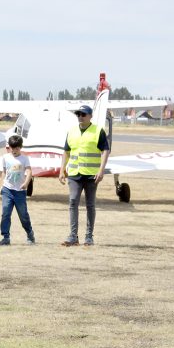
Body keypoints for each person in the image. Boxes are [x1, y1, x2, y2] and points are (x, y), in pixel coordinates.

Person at [58, 104, 110, 246]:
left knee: (90, 205)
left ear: (90, 116)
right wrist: (62, 169)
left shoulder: (98, 131)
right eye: (78, 114)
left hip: (91, 175)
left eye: (83, 114)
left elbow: (105, 150)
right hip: (74, 174)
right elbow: (66, 152)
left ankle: (89, 236)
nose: (80, 117)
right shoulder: (72, 131)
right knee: (73, 201)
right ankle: (73, 236)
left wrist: (101, 170)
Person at [0, 135, 35, 246]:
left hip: (19, 191)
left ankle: (29, 233)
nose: (14, 150)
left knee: (23, 215)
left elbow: (29, 171)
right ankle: (6, 237)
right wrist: (2, 185)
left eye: (17, 148)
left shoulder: (24, 158)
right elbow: (3, 171)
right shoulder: (5, 157)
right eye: (12, 148)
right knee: (5, 213)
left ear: (20, 147)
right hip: (7, 190)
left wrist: (26, 183)